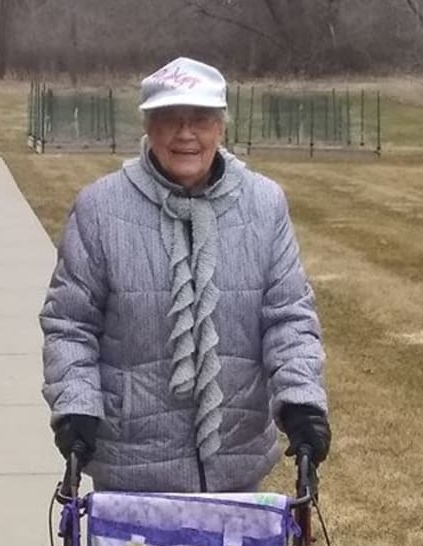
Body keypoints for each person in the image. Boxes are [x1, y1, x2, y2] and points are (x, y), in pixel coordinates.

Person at [40, 56, 331, 494]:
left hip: (237, 464)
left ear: (222, 127)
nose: (185, 134)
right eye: (169, 119)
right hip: (131, 466)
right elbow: (71, 324)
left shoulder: (264, 205)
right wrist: (76, 406)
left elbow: (288, 318)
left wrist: (302, 404)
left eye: (200, 119)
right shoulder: (100, 209)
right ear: (148, 127)